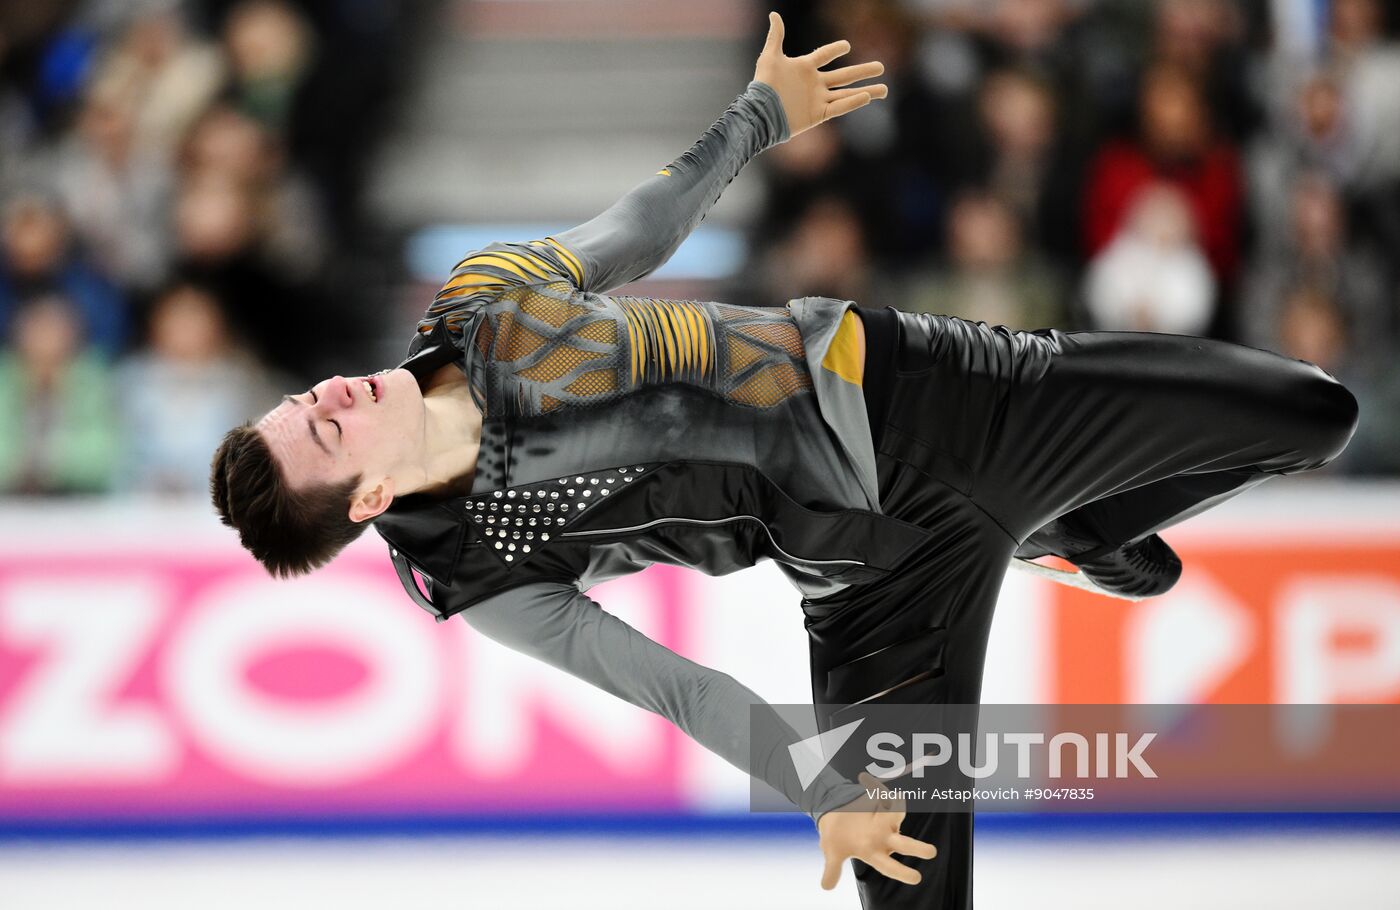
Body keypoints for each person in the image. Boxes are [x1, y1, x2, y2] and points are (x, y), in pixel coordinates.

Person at [209, 13, 1359, 909]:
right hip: (872, 595)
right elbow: (673, 685)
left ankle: (1072, 528)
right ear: (363, 495)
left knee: (1312, 414)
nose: (325, 395)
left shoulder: (476, 302)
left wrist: (758, 115)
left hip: (954, 391)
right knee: (908, 888)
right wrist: (819, 786)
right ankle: (1069, 531)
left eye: (297, 399)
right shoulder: (478, 566)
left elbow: (634, 231)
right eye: (319, 428)